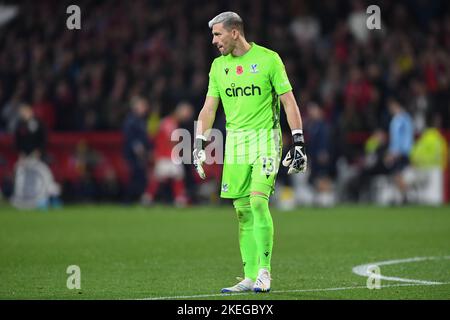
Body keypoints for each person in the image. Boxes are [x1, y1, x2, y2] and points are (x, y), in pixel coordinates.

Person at [192, 12, 307, 293]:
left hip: (266, 141)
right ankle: (249, 275)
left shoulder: (269, 59)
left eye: (217, 34)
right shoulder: (218, 67)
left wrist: (299, 142)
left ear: (234, 33)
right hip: (236, 145)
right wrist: (198, 143)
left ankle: (265, 272)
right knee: (242, 212)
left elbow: (289, 102)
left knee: (258, 203)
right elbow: (209, 108)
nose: (214, 41)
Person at [142, 101, 193, 207]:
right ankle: (148, 198)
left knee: (171, 177)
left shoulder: (170, 122)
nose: (187, 116)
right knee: (166, 178)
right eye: (186, 113)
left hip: (167, 155)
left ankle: (149, 198)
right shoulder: (169, 123)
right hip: (166, 156)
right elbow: (169, 140)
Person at [384, 97, 414, 203]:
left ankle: (407, 196)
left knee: (397, 174)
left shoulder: (401, 120)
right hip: (400, 151)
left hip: (401, 152)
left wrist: (395, 152)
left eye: (392, 107)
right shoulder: (402, 119)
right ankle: (404, 197)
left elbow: (401, 138)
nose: (390, 109)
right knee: (397, 175)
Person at [123, 96, 152, 203]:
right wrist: (140, 151)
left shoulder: (141, 120)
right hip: (132, 155)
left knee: (139, 177)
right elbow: (131, 138)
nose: (145, 108)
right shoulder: (132, 121)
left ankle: (135, 199)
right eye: (142, 106)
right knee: (135, 176)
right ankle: (128, 200)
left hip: (139, 154)